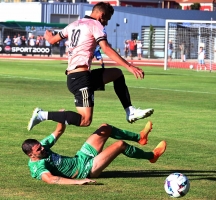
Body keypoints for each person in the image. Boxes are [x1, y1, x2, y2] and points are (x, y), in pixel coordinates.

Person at [27, 2, 153, 131]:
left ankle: (130, 111)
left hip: (79, 75)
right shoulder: (95, 24)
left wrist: (48, 36)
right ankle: (42, 115)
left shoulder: (74, 24)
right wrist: (129, 66)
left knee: (117, 74)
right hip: (80, 79)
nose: (106, 23)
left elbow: (52, 40)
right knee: (85, 120)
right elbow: (106, 48)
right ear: (101, 15)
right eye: (107, 19)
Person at [22, 119, 167, 184]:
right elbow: (51, 179)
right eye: (39, 149)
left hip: (80, 158)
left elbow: (59, 130)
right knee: (120, 145)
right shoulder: (37, 166)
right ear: (31, 155)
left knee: (105, 128)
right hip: (86, 169)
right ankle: (152, 156)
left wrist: (61, 116)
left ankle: (140, 137)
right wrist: (78, 182)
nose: (42, 148)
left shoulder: (43, 146)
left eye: (41, 146)